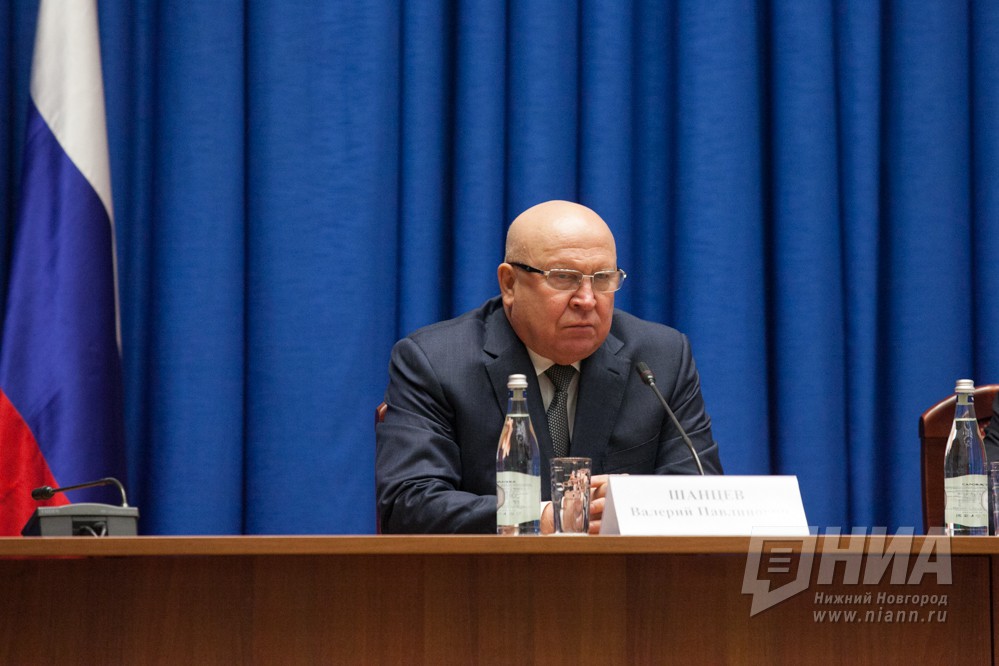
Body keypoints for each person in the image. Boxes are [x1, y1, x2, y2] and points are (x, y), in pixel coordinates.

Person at [376, 200, 723, 534]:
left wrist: (636, 504)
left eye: (602, 278)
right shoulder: (436, 362)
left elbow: (702, 496)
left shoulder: (661, 359)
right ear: (510, 284)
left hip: (625, 574)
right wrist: (542, 517)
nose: (587, 299)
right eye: (564, 277)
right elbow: (408, 504)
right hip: (488, 573)